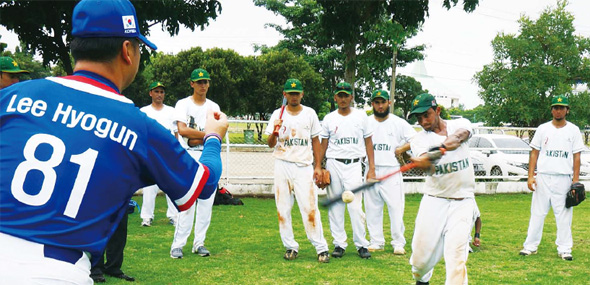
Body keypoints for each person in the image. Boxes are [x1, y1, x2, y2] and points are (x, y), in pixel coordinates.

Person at [0, 0, 228, 283]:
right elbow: (204, 184)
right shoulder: (137, 125)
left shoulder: (14, 96)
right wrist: (214, 136)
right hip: (57, 272)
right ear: (127, 51)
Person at [408, 93, 476, 285]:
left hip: (463, 201)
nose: (422, 121)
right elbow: (428, 167)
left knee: (456, 258)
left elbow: (459, 137)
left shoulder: (459, 124)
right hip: (434, 200)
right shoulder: (418, 140)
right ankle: (422, 280)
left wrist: (438, 149)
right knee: (420, 262)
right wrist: (424, 162)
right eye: (418, 117)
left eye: (426, 115)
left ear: (437, 110)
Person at [265, 79, 330, 263]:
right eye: (290, 93)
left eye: (297, 93)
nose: (294, 96)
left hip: (303, 166)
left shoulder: (310, 113)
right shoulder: (278, 114)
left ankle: (321, 247)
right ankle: (290, 246)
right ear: (284, 94)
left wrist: (318, 166)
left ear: (302, 94)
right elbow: (270, 144)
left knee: (309, 208)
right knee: (283, 208)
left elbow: (315, 141)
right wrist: (275, 133)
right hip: (282, 163)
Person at [519, 95, 584, 261]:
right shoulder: (543, 128)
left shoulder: (574, 130)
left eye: (562, 108)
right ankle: (530, 246)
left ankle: (564, 249)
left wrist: (575, 181)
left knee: (563, 215)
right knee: (537, 213)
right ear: (551, 110)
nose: (558, 110)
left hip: (563, 177)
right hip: (543, 177)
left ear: (567, 110)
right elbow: (534, 152)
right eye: (555, 107)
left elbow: (577, 157)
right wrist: (530, 176)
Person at [318, 82, 375, 259]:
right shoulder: (329, 118)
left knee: (355, 206)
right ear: (335, 97)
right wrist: (318, 166)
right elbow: (323, 144)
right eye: (340, 95)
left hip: (354, 164)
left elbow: (368, 142)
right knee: (335, 206)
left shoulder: (361, 116)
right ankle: (339, 244)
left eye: (346, 95)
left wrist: (371, 167)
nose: (343, 99)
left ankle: (361, 244)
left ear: (351, 97)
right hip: (334, 163)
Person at [170, 68, 221, 259]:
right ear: (191, 83)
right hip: (189, 155)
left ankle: (199, 243)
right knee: (187, 201)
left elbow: (219, 131)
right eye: (199, 82)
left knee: (206, 202)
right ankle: (178, 245)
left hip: (208, 155)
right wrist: (208, 135)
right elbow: (183, 131)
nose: (203, 85)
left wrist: (201, 136)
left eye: (205, 81)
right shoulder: (183, 104)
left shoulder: (214, 106)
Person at [365, 89, 416, 255]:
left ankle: (398, 242)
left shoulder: (398, 123)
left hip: (391, 170)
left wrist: (402, 148)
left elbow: (415, 139)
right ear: (372, 104)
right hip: (371, 169)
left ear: (389, 103)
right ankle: (376, 241)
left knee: (395, 207)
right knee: (372, 208)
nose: (380, 106)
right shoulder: (366, 122)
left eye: (383, 102)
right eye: (377, 102)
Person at [139, 81, 179, 227]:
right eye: (156, 92)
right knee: (149, 188)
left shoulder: (171, 111)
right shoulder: (144, 111)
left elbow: (176, 133)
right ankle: (147, 217)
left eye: (162, 92)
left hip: (167, 153)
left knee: (170, 186)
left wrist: (175, 152)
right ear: (150, 93)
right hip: (150, 154)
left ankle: (174, 216)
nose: (159, 95)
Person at [90, 211, 134, 282]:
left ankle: (113, 268)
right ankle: (95, 269)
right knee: (98, 229)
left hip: (120, 201)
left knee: (120, 230)